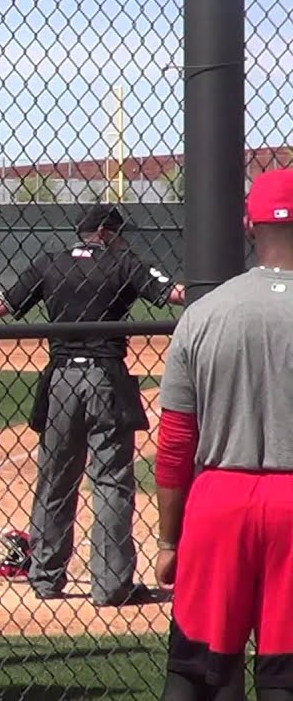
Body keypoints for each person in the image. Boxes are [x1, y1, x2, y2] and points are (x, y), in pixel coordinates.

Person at [0, 205, 186, 607]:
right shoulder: (122, 262)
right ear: (108, 233)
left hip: (59, 380)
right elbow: (177, 294)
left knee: (55, 479)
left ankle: (45, 577)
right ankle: (111, 586)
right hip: (105, 378)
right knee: (110, 482)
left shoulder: (50, 263)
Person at [155, 168, 293, 701]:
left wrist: (170, 541)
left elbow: (174, 445)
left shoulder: (203, 314)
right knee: (285, 676)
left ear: (247, 224)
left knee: (200, 674)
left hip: (219, 503)